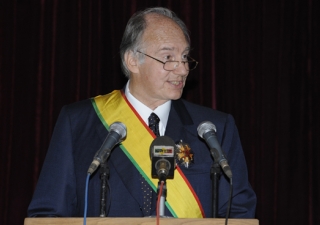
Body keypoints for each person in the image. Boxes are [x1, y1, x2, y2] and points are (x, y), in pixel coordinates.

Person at [27, 7, 256, 218]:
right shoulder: (79, 122)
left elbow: (238, 213)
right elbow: (48, 214)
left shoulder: (215, 129)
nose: (183, 68)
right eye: (168, 58)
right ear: (132, 61)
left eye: (185, 57)